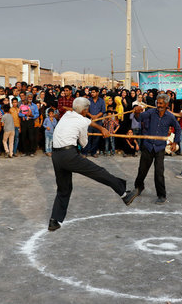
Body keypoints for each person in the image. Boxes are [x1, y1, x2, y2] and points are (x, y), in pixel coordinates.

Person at [48, 97, 137, 231]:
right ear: (84, 111)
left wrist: (101, 128)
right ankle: (124, 194)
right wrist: (102, 131)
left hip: (56, 156)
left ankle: (54, 220)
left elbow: (89, 122)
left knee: (64, 189)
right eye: (87, 109)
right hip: (69, 155)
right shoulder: (82, 121)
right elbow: (84, 143)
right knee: (98, 172)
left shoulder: (67, 115)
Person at [131, 93, 181, 204]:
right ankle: (138, 187)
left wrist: (175, 142)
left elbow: (178, 129)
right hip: (148, 145)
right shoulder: (151, 112)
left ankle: (162, 195)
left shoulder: (170, 116)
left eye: (161, 103)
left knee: (159, 172)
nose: (158, 105)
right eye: (157, 103)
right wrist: (137, 112)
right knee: (142, 170)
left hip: (159, 148)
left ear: (167, 104)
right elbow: (140, 118)